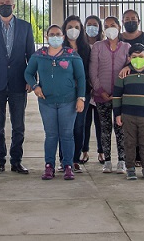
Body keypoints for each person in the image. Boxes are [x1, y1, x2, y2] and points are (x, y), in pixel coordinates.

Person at [0, 0, 35, 175]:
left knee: (18, 125)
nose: (5, 6)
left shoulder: (26, 27)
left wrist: (31, 79)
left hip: (19, 84)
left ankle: (17, 161)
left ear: (14, 6)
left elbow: (31, 57)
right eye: (1, 3)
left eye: (8, 3)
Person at [25, 25, 86, 180]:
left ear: (63, 37)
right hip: (47, 102)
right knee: (51, 135)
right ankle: (49, 166)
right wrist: (35, 86)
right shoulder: (39, 55)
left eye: (58, 34)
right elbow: (28, 73)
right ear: (46, 37)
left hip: (68, 102)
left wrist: (81, 98)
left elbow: (81, 78)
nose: (55, 37)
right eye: (51, 34)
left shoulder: (72, 55)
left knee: (66, 135)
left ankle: (67, 166)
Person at [113, 43, 144, 180]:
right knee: (129, 142)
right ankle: (130, 168)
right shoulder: (124, 75)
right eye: (134, 57)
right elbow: (117, 96)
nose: (137, 59)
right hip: (128, 116)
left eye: (140, 56)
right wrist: (117, 114)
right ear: (129, 58)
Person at [89, 16, 129, 174]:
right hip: (101, 96)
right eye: (106, 26)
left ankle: (122, 160)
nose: (110, 28)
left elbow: (129, 69)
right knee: (105, 128)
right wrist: (100, 91)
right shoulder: (98, 46)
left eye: (113, 25)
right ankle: (107, 160)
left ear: (119, 27)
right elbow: (93, 70)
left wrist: (120, 92)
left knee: (121, 128)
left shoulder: (126, 47)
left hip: (121, 97)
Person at [60, 15, 91, 172]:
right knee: (64, 127)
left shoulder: (87, 49)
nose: (73, 30)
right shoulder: (59, 48)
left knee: (79, 126)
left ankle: (75, 159)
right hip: (64, 93)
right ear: (64, 30)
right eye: (70, 27)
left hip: (83, 92)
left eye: (77, 27)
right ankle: (63, 159)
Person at [81, 15, 103, 165]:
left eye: (95, 24)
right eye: (89, 24)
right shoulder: (81, 45)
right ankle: (84, 151)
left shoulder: (103, 44)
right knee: (84, 123)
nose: (92, 27)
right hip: (84, 89)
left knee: (101, 123)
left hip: (100, 89)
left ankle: (102, 152)